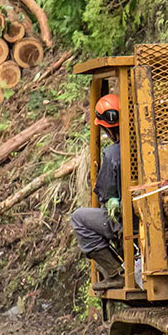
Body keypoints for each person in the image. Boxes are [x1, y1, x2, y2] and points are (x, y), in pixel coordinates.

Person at [70, 93, 124, 289]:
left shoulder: (112, 154)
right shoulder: (147, 145)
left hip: (126, 221)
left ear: (106, 128)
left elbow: (104, 192)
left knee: (79, 218)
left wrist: (111, 200)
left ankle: (115, 272)